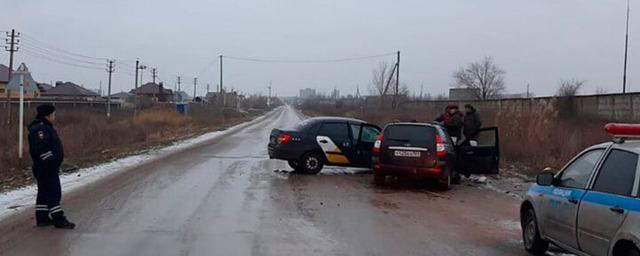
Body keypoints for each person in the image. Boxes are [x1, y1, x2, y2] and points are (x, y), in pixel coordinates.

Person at [28, 104, 75, 229]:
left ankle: (42, 217)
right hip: (46, 167)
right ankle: (59, 219)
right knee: (53, 192)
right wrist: (51, 163)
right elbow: (42, 149)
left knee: (44, 192)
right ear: (47, 115)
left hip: (45, 167)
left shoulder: (45, 127)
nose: (55, 116)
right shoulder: (40, 129)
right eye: (54, 114)